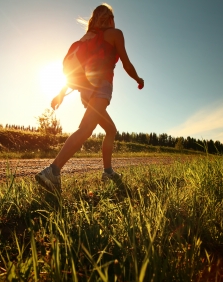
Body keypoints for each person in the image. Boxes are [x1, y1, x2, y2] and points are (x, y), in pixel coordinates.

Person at [35, 3, 144, 193]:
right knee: (85, 129)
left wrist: (60, 94)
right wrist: (138, 79)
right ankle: (53, 170)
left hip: (86, 92)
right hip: (101, 88)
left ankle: (108, 172)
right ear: (109, 19)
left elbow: (75, 71)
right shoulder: (114, 34)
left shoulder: (83, 41)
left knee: (110, 129)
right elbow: (127, 64)